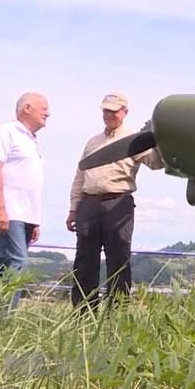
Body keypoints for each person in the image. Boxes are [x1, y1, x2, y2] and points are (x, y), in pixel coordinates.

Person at [66, 92, 164, 306]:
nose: (109, 115)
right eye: (106, 110)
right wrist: (74, 208)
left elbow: (155, 163)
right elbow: (80, 176)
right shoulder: (93, 142)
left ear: (124, 112)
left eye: (114, 110)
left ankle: (116, 315)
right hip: (89, 203)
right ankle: (83, 313)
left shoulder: (134, 139)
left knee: (118, 260)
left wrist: (157, 139)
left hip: (118, 202)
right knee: (84, 261)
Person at [0, 92, 50, 308]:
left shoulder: (32, 140)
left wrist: (34, 220)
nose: (48, 113)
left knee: (6, 261)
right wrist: (1, 209)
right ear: (27, 108)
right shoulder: (5, 131)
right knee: (16, 261)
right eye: (43, 108)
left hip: (24, 215)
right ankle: (3, 317)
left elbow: (28, 181)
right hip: (8, 211)